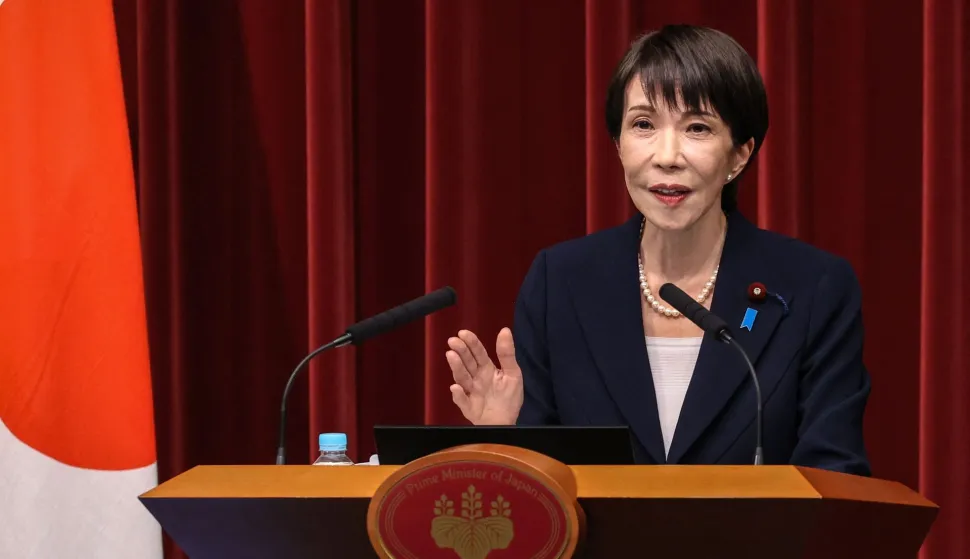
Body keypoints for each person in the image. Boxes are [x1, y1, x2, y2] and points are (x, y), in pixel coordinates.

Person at [444, 24, 871, 475]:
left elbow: (835, 480)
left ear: (740, 154)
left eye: (697, 128)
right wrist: (503, 438)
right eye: (644, 124)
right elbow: (542, 501)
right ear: (619, 145)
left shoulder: (810, 288)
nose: (667, 155)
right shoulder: (561, 282)